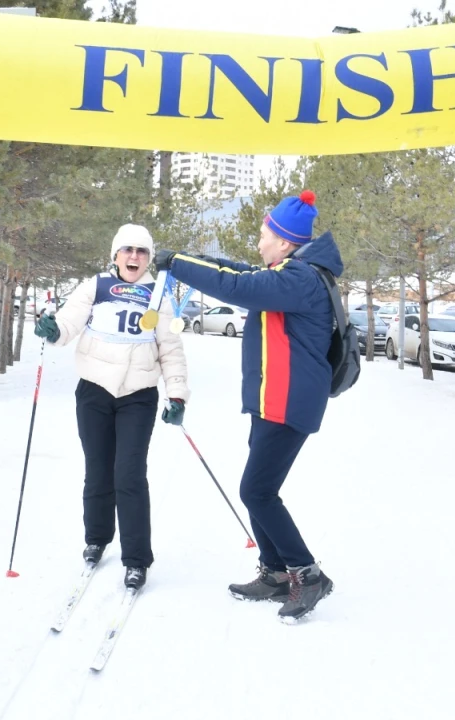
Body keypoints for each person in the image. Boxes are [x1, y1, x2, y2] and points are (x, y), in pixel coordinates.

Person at [154, 189, 340, 624]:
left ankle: (307, 574)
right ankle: (276, 573)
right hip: (272, 399)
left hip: (289, 401)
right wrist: (187, 256)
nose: (258, 243)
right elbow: (240, 272)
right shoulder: (290, 272)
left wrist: (178, 263)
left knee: (255, 491)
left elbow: (237, 286)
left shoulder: (300, 279)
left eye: (264, 235)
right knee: (260, 490)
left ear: (284, 240)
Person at [33, 224, 189, 590]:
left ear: (148, 258)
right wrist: (53, 331)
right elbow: (69, 323)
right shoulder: (96, 286)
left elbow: (172, 350)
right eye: (128, 250)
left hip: (138, 393)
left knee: (129, 474)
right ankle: (97, 538)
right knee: (98, 470)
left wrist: (177, 395)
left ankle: (136, 559)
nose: (134, 257)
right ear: (115, 254)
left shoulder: (158, 296)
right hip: (95, 391)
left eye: (142, 251)